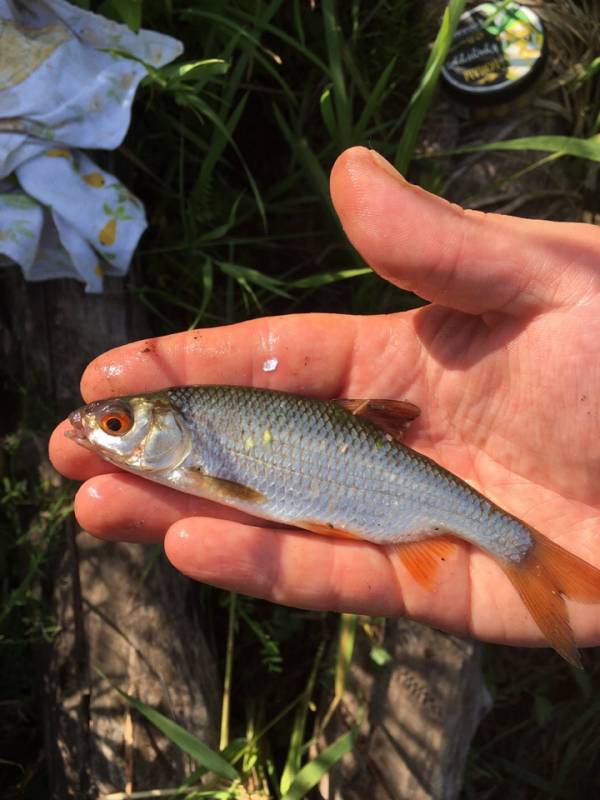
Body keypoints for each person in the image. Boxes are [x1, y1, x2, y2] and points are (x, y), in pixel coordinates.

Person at [49, 146, 600, 653]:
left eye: (117, 423)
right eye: (115, 424)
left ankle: (524, 551)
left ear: (173, 428)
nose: (104, 431)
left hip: (392, 494)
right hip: (382, 497)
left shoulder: (195, 456)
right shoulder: (189, 449)